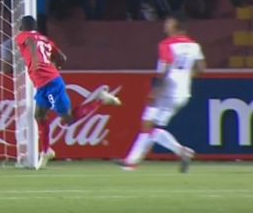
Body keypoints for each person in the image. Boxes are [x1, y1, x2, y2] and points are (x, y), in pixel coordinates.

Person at [15, 16, 121, 169]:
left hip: (49, 84)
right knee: (39, 115)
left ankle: (100, 99)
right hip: (45, 82)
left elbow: (31, 44)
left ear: (22, 27)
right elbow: (62, 58)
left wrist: (37, 63)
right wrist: (55, 66)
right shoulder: (46, 40)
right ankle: (46, 151)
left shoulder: (23, 37)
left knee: (68, 119)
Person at [122, 13, 206, 172]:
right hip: (183, 92)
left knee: (150, 126)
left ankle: (181, 151)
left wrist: (156, 90)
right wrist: (186, 76)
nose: (165, 24)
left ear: (175, 25)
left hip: (167, 90)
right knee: (151, 125)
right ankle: (131, 161)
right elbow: (201, 68)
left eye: (168, 22)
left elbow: (165, 69)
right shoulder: (195, 46)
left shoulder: (166, 44)